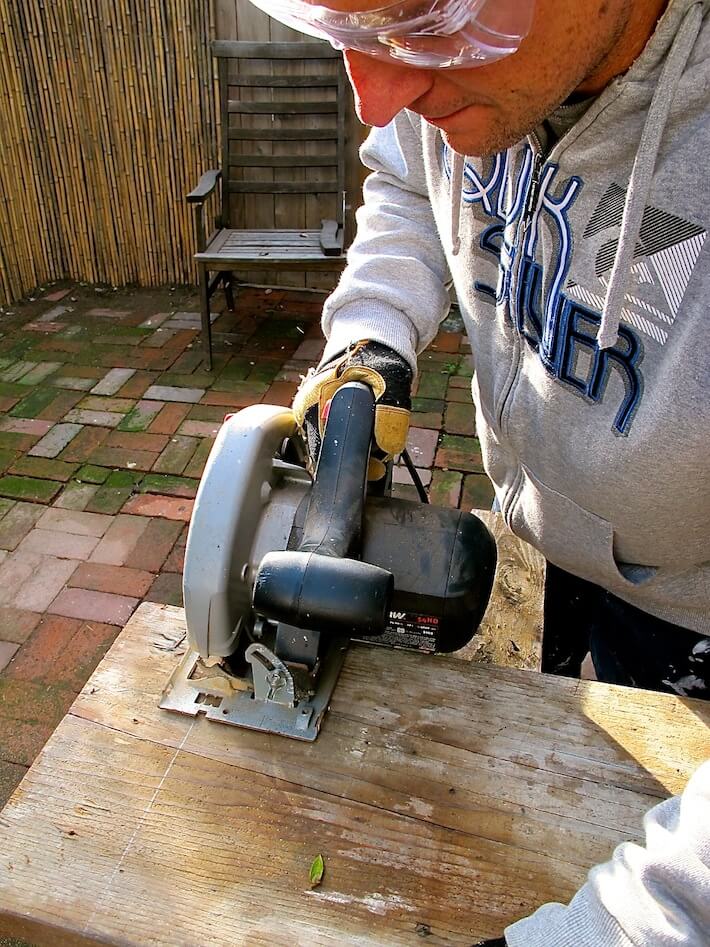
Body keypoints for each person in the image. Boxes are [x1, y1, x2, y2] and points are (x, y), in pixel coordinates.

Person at [247, 0, 710, 942]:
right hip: (537, 547)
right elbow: (410, 180)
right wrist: (371, 334)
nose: (375, 95)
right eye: (355, 32)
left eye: (423, 18)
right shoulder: (461, 86)